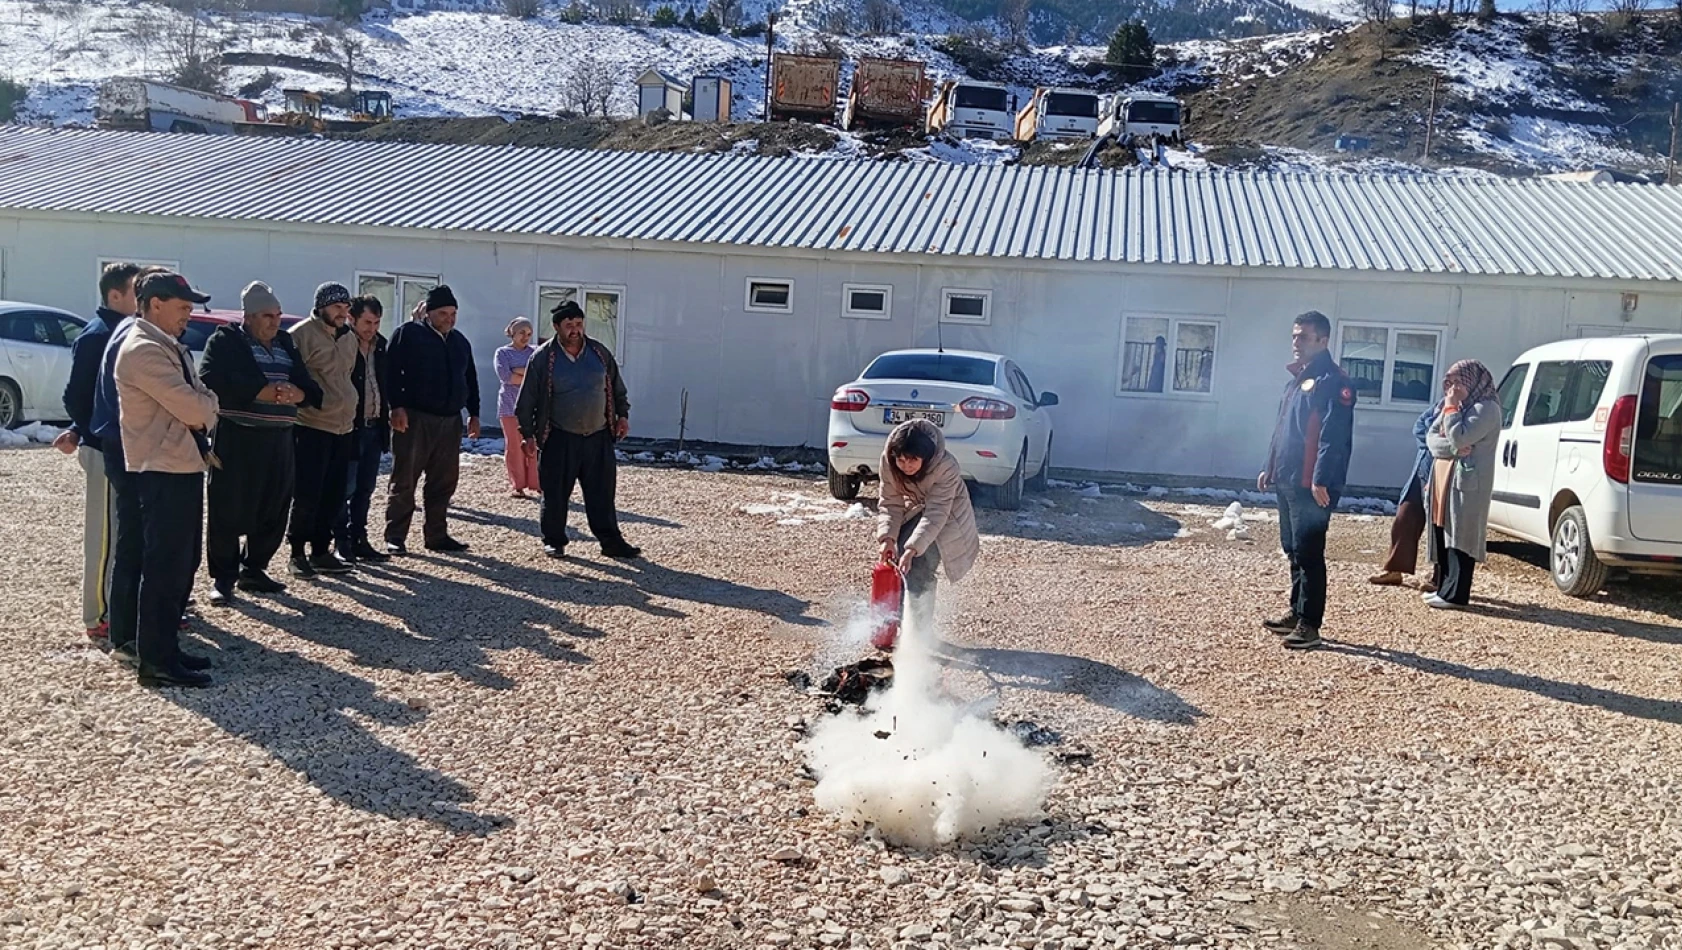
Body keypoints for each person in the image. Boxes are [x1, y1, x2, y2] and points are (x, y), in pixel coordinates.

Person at [113, 272, 220, 688]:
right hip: (160, 468)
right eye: (182, 307)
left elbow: (202, 396)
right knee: (163, 567)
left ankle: (166, 650)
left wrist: (205, 404)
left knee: (181, 564)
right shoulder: (143, 350)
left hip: (180, 464)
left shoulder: (165, 346)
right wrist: (207, 406)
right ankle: (155, 660)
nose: (187, 316)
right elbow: (197, 407)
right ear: (155, 304)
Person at [198, 282, 323, 606]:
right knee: (228, 506)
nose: (274, 322)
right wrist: (260, 390)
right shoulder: (226, 341)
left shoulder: (285, 343)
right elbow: (211, 378)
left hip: (279, 437)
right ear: (249, 317)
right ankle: (224, 577)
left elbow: (309, 386)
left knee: (274, 505)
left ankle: (254, 568)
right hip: (238, 436)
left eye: (278, 315)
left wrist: (299, 394)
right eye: (267, 316)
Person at [53, 261, 141, 644]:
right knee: (105, 535)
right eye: (137, 290)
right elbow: (76, 397)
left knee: (127, 532)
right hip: (105, 448)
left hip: (129, 447)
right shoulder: (97, 335)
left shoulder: (127, 330)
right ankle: (98, 613)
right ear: (115, 294)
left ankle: (128, 607)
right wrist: (89, 430)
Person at [1258, 310, 1356, 651]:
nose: (1295, 342)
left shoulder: (1334, 381)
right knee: (1293, 549)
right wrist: (1269, 466)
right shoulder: (1298, 379)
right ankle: (1296, 611)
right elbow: (1284, 428)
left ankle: (1310, 624)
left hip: (1311, 483)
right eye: (1294, 335)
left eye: (1303, 336)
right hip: (1286, 477)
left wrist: (1322, 480)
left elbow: (1334, 437)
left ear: (1323, 340)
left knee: (1310, 552)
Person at [515, 301, 637, 560]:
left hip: (598, 435)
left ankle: (610, 542)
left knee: (602, 492)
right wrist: (526, 434)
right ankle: (554, 540)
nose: (575, 330)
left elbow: (617, 388)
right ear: (556, 326)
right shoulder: (543, 358)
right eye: (569, 325)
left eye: (579, 324)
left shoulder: (599, 353)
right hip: (559, 436)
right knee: (556, 492)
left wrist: (622, 415)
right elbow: (526, 399)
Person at [385, 285, 480, 554]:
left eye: (453, 313)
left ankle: (436, 535)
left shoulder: (460, 342)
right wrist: (396, 407)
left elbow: (469, 379)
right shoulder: (408, 334)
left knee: (443, 482)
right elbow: (391, 373)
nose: (449, 318)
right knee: (405, 479)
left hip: (450, 421)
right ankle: (395, 536)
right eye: (443, 313)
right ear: (428, 312)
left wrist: (474, 413)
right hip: (414, 418)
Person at [875, 419, 980, 630]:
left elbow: (936, 513)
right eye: (901, 460)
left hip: (948, 514)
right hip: (914, 508)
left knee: (920, 564)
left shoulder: (946, 466)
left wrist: (912, 550)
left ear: (926, 456)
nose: (906, 466)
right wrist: (887, 538)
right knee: (896, 559)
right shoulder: (888, 461)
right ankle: (893, 624)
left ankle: (919, 633)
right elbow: (890, 503)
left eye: (912, 460)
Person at [286, 282, 360, 578]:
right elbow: (294, 376)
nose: (343, 313)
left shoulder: (349, 338)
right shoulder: (300, 336)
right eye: (336, 307)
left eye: (345, 307)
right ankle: (296, 553)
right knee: (307, 493)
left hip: (343, 427)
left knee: (334, 493)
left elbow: (347, 375)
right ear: (321, 307)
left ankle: (320, 550)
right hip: (311, 425)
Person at [1424, 361, 1503, 608]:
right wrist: (1451, 447)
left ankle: (1456, 595)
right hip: (1444, 478)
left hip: (1467, 483)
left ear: (1473, 382)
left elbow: (1460, 436)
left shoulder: (1486, 408)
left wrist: (1450, 409)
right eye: (1450, 382)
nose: (1452, 388)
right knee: (1443, 531)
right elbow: (1431, 438)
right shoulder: (1459, 407)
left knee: (1461, 535)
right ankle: (1444, 588)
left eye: (1459, 382)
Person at [336, 296, 391, 564]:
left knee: (366, 488)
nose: (372, 328)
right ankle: (341, 541)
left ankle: (360, 537)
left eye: (377, 322)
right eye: (367, 322)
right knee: (345, 487)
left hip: (374, 424)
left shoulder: (381, 346)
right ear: (352, 319)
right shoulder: (343, 343)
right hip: (350, 426)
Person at [1369, 400, 1443, 587]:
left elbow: (1450, 439)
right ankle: (1394, 569)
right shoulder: (1440, 404)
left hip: (1442, 472)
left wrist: (1433, 438)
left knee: (1439, 527)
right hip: (1422, 468)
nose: (1450, 387)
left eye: (1455, 382)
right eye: (1448, 383)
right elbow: (1419, 427)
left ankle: (1440, 578)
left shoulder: (1465, 407)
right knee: (1405, 517)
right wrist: (1432, 436)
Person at [495, 317, 542, 498]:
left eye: (529, 333)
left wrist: (519, 371)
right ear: (513, 333)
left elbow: (540, 376)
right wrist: (527, 374)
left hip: (532, 406)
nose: (526, 337)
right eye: (522, 333)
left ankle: (537, 483)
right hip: (509, 406)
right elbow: (506, 377)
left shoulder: (536, 352)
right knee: (514, 445)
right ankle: (517, 484)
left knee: (534, 444)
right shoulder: (502, 353)